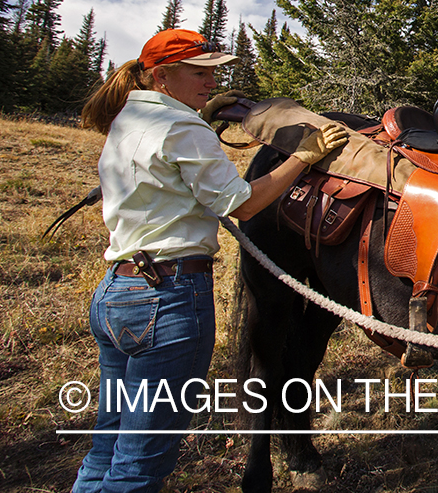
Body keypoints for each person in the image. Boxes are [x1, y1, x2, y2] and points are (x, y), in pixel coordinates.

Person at [71, 29, 348, 493]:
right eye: (199, 72)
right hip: (169, 298)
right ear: (162, 76)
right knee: (140, 463)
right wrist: (303, 156)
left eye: (213, 70)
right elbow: (241, 203)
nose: (211, 79)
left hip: (117, 292)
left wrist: (199, 114)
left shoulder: (128, 119)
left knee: (107, 446)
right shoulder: (183, 129)